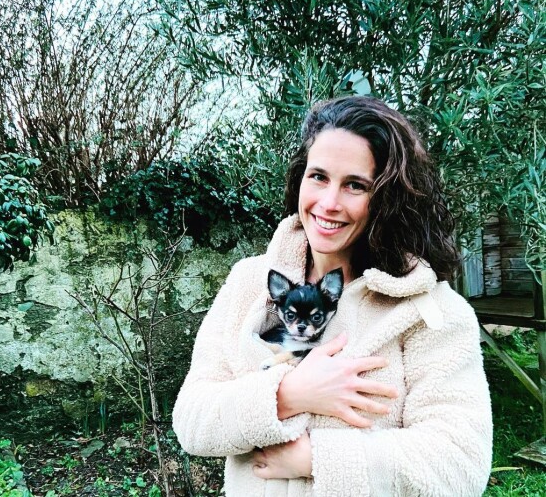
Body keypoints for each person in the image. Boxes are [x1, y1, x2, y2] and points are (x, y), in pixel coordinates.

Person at [173, 96, 493, 496]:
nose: (328, 203)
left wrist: (315, 458)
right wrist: (287, 395)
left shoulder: (432, 312)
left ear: (387, 199)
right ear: (300, 179)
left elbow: (460, 466)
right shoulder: (248, 283)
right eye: (318, 177)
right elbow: (191, 420)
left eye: (355, 185)